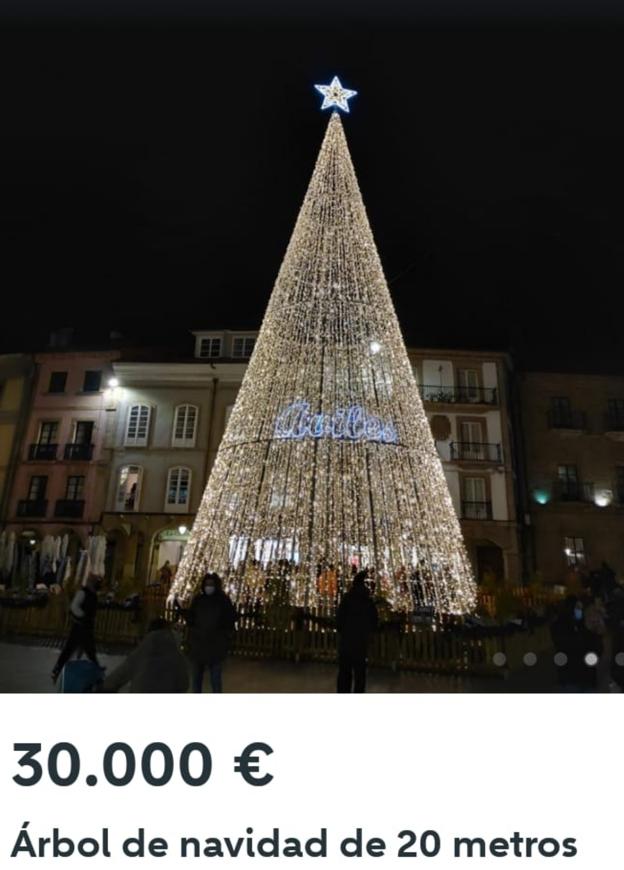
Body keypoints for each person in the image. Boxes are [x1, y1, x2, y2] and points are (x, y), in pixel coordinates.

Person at [102, 618, 189, 693]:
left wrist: (103, 688)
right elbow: (184, 684)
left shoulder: (142, 652)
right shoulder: (176, 654)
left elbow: (119, 676)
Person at [186, 572, 236, 693]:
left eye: (211, 584)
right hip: (199, 644)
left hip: (215, 645)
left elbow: (229, 619)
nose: (209, 586)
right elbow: (191, 619)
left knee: (215, 678)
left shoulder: (223, 601)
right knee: (197, 678)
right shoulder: (198, 600)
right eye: (207, 584)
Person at [52, 573, 101, 683]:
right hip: (80, 626)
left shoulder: (94, 595)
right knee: (70, 649)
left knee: (90, 650)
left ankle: (97, 671)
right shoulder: (83, 592)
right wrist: (82, 615)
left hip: (87, 626)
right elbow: (74, 606)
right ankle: (56, 670)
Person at [336, 571, 378, 693]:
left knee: (344, 673)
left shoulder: (346, 599)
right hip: (361, 643)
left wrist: (343, 631)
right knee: (360, 674)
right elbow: (373, 621)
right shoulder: (367, 601)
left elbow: (339, 620)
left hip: (346, 642)